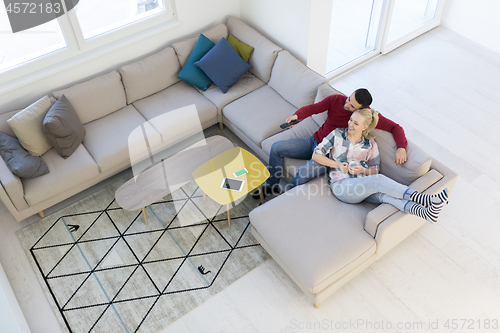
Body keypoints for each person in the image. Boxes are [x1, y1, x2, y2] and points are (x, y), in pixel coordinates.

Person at [253, 88, 408, 199]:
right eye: (348, 99)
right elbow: (314, 108)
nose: (346, 104)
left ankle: (285, 201)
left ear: (362, 109)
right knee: (276, 148)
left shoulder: (363, 118)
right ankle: (271, 184)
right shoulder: (336, 100)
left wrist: (401, 147)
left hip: (329, 156)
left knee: (302, 175)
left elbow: (396, 127)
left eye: (352, 106)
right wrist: (297, 115)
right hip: (314, 141)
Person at [312, 108, 448, 224]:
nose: (350, 124)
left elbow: (375, 171)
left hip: (363, 187)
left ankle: (425, 213)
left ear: (364, 127)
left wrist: (364, 170)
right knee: (379, 181)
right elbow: (316, 155)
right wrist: (337, 165)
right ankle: (427, 199)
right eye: (351, 120)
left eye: (356, 123)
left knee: (387, 197)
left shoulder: (370, 144)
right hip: (342, 186)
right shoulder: (336, 135)